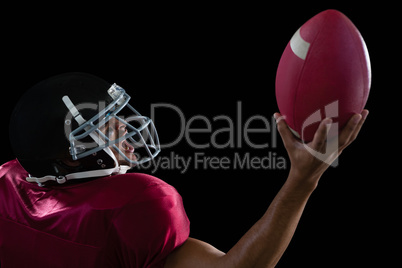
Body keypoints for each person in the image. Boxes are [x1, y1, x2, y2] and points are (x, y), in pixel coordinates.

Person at [0, 73, 368, 267]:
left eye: (114, 115)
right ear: (68, 160)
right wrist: (302, 181)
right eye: (99, 126)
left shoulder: (9, 182)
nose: (124, 127)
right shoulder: (135, 206)